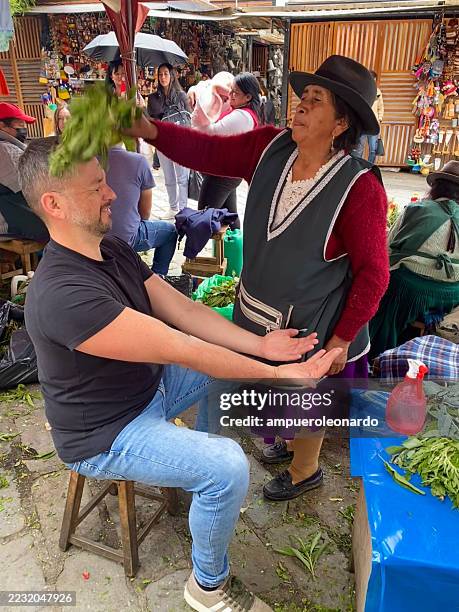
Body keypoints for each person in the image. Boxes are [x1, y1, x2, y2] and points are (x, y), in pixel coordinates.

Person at [19, 137, 340, 612]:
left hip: (149, 389)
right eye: (96, 188)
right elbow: (182, 347)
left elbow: (184, 311)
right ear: (54, 204)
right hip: (107, 434)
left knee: (231, 383)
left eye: (105, 181)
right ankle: (207, 587)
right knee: (227, 465)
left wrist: (261, 346)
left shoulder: (111, 249)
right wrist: (281, 373)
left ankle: (202, 483)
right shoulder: (62, 293)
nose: (111, 194)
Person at [127, 55, 390, 501]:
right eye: (302, 97)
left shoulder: (359, 187)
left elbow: (375, 275)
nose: (300, 106)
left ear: (341, 122)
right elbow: (206, 151)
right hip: (256, 311)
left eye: (316, 100)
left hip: (318, 323)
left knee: (310, 400)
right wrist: (150, 131)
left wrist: (341, 340)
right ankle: (272, 447)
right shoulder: (270, 147)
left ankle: (306, 471)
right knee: (258, 390)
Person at [370, 160, 459, 359]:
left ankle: (378, 354)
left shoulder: (417, 209)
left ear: (436, 188)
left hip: (410, 290)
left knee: (383, 301)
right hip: (452, 294)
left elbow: (386, 248)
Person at [192, 72, 263, 230]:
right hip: (229, 173)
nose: (231, 95)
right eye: (231, 90)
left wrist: (200, 113)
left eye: (235, 93)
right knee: (230, 218)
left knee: (202, 217)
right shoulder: (245, 113)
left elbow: (210, 132)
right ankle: (235, 253)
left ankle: (192, 253)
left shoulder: (241, 116)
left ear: (248, 97)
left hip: (222, 175)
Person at [106, 144, 177, 275]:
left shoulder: (84, 162)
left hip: (89, 239)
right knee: (171, 232)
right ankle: (158, 277)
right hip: (123, 239)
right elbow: (145, 213)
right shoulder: (137, 162)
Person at [147, 63, 191, 220]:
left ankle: (183, 208)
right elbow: (152, 119)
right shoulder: (153, 98)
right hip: (163, 142)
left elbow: (188, 119)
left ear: (172, 75)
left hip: (180, 142)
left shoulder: (181, 96)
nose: (163, 77)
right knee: (169, 177)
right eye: (160, 74)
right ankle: (173, 207)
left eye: (166, 73)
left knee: (182, 178)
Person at [0, 102, 48, 241]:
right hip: (6, 221)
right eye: (20, 125)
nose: (24, 129)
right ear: (2, 126)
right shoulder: (5, 150)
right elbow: (29, 186)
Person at [353, 70, 384, 164]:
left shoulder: (378, 92)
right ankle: (358, 166)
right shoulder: (360, 91)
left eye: (374, 80)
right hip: (363, 123)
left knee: (373, 149)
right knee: (359, 148)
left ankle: (370, 167)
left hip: (374, 123)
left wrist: (379, 118)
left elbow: (381, 107)